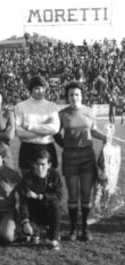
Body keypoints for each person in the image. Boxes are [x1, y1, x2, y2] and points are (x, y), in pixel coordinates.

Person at [54, 81, 107, 242]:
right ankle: (72, 229)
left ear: (82, 96)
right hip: (70, 158)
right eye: (71, 94)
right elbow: (56, 134)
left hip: (87, 158)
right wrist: (66, 145)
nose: (74, 97)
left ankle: (84, 228)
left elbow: (94, 130)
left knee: (85, 194)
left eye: (77, 94)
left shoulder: (89, 111)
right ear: (67, 97)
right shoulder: (62, 113)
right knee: (72, 195)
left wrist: (105, 137)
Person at [14, 75, 60, 177]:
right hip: (28, 149)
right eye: (37, 88)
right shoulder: (20, 106)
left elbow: (55, 128)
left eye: (43, 88)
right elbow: (18, 131)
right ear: (31, 90)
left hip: (47, 148)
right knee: (28, 186)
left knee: (49, 184)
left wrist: (29, 127)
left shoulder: (52, 106)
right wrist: (44, 133)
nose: (40, 91)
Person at [19, 149, 63, 251]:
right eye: (37, 164)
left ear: (49, 165)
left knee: (55, 204)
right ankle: (36, 230)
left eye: (43, 164)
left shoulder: (54, 175)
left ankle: (54, 238)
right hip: (34, 212)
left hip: (49, 210)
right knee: (30, 236)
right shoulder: (27, 178)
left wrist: (40, 196)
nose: (40, 167)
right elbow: (23, 202)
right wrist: (25, 221)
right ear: (33, 164)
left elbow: (59, 195)